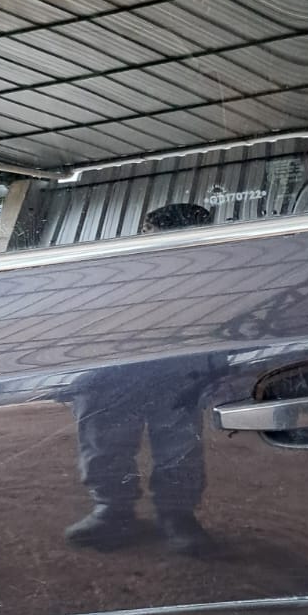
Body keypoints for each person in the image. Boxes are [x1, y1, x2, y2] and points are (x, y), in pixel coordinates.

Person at [64, 201, 216, 556]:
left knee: (179, 441)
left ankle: (176, 514)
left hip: (177, 364)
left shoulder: (207, 276)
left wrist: (210, 369)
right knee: (104, 433)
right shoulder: (117, 271)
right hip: (117, 365)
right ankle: (112, 509)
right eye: (153, 234)